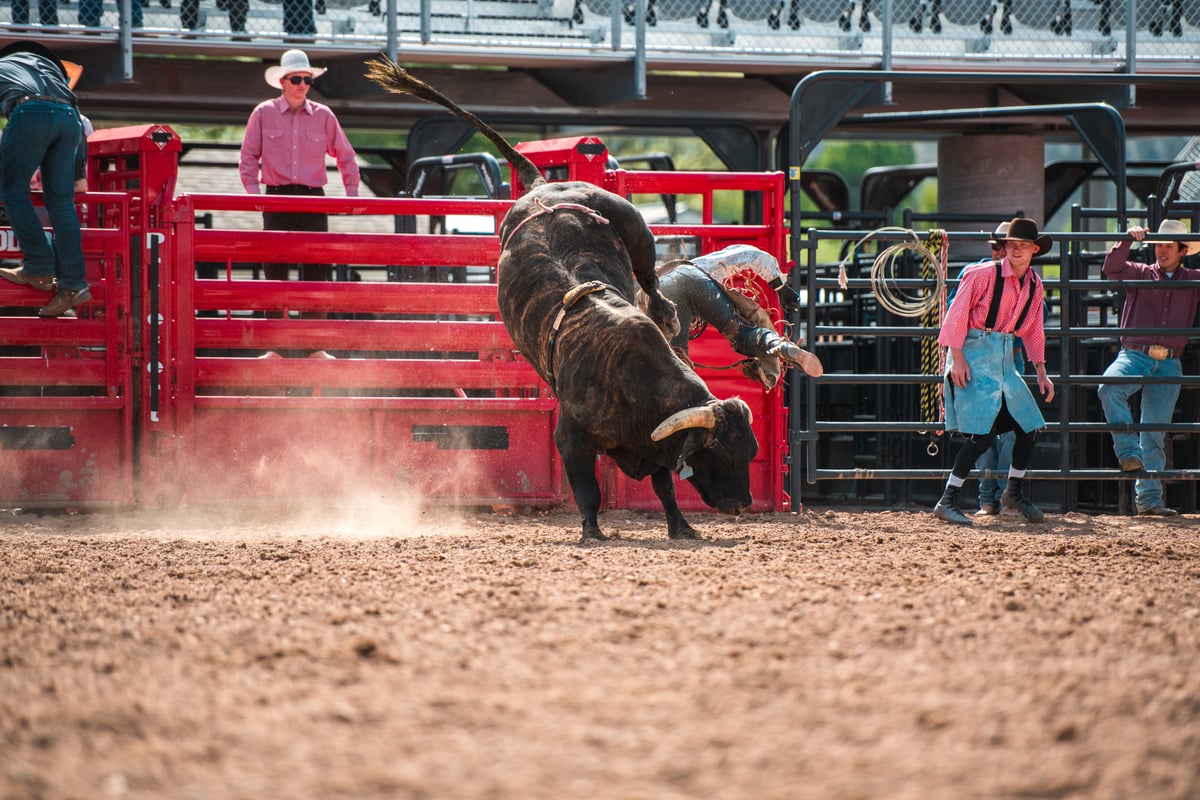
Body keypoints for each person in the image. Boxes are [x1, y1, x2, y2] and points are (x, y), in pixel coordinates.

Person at [933, 217, 1055, 525]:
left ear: (1034, 250)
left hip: (1001, 357)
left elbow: (1033, 329)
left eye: (1022, 245)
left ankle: (1012, 491)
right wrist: (956, 358)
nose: (1015, 250)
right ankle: (947, 499)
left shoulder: (1034, 284)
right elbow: (956, 314)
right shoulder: (982, 275)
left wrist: (1040, 369)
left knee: (1028, 426)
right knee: (982, 436)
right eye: (1011, 245)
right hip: (973, 352)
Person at [1096, 220, 1200, 517]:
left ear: (1183, 251)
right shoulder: (1140, 272)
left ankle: (1149, 501)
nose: (1162, 250)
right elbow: (1111, 268)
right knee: (1108, 387)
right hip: (1137, 355)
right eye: (1158, 244)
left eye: (1169, 246)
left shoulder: (1193, 279)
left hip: (1169, 360)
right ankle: (1128, 452)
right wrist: (1127, 240)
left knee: (1154, 433)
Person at [238, 49, 360, 283]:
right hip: (275, 199)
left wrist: (352, 195)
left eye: (307, 79)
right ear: (283, 82)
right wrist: (254, 196)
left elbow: (346, 156)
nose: (302, 84)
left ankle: (312, 320)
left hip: (313, 199)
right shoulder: (263, 113)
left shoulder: (324, 115)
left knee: (316, 273)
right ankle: (276, 320)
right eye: (296, 79)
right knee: (275, 272)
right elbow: (248, 157)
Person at [0, 41, 92, 318]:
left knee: (12, 191)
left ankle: (39, 267)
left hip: (30, 113)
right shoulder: (52, 74)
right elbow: (77, 118)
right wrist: (78, 175)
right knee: (62, 203)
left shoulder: (5, 68)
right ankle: (73, 285)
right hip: (66, 119)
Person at [654, 243, 823, 389]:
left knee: (676, 362)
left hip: (664, 292)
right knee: (741, 335)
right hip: (696, 278)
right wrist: (780, 288)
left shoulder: (644, 298)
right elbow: (749, 254)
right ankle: (778, 344)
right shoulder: (702, 265)